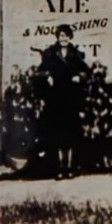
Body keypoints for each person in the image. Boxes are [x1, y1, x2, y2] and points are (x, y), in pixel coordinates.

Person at [36, 25, 91, 178]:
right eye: (61, 36)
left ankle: (71, 168)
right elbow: (40, 72)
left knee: (71, 132)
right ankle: (61, 168)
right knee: (58, 133)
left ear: (70, 37)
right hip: (56, 99)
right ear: (58, 37)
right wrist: (48, 76)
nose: (64, 39)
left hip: (71, 98)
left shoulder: (76, 54)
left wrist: (79, 77)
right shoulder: (50, 54)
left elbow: (86, 72)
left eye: (66, 36)